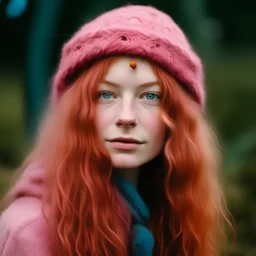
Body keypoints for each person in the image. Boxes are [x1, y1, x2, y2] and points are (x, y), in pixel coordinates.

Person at [0, 5, 232, 256]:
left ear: (179, 118)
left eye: (150, 96)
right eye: (107, 94)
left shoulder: (170, 215)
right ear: (76, 113)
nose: (127, 117)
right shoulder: (30, 231)